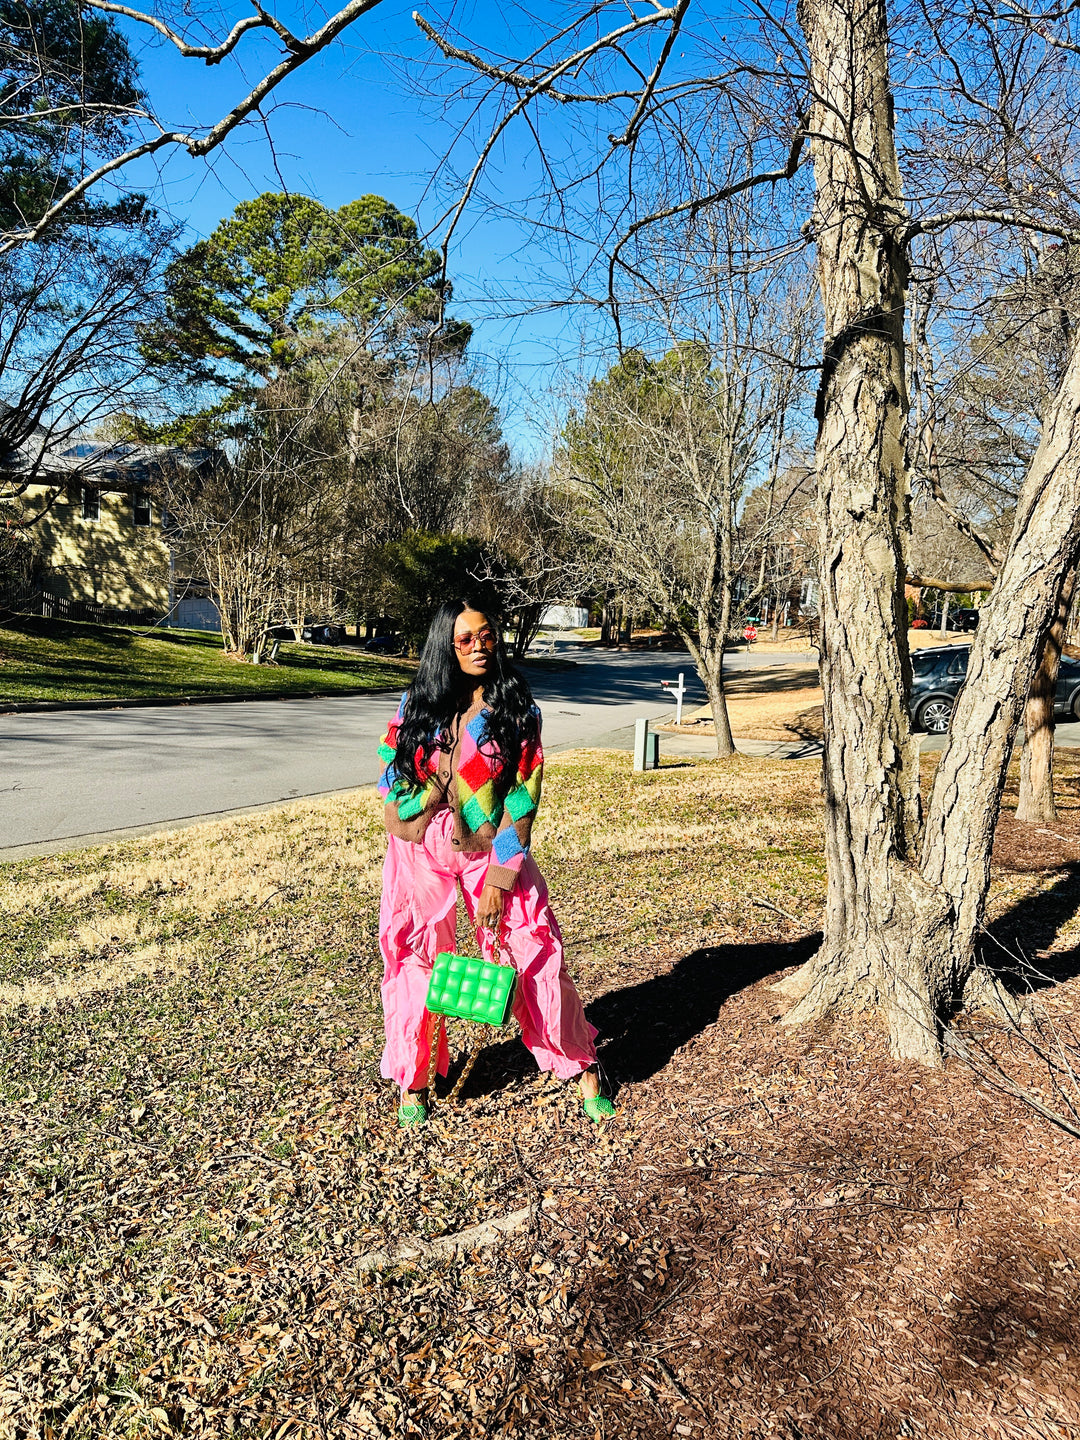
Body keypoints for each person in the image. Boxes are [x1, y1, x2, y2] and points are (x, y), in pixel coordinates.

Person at [376, 599, 614, 1127]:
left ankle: (582, 1066)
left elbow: (523, 800)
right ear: (446, 645)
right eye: (465, 639)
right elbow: (389, 775)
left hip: (490, 849)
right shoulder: (416, 704)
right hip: (419, 851)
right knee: (411, 958)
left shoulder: (516, 709)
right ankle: (414, 1080)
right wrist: (418, 806)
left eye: (486, 635)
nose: (479, 646)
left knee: (535, 952)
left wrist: (502, 880)